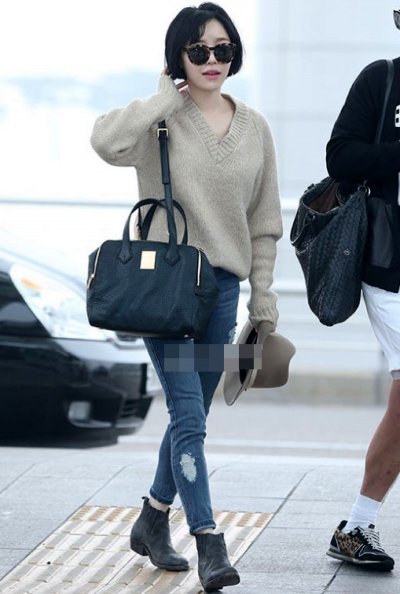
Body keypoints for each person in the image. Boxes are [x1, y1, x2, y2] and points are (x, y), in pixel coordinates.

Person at [90, 3, 282, 591]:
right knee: (190, 418)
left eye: (223, 49)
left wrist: (263, 297)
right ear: (179, 56)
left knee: (189, 415)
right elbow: (104, 141)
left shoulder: (255, 127)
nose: (212, 60)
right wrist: (160, 100)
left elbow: (263, 223)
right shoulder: (161, 121)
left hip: (220, 294)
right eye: (198, 50)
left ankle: (152, 517)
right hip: (166, 292)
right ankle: (208, 541)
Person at [324, 9, 400, 573]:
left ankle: (355, 526)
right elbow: (341, 157)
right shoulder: (383, 79)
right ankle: (356, 524)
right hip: (390, 264)